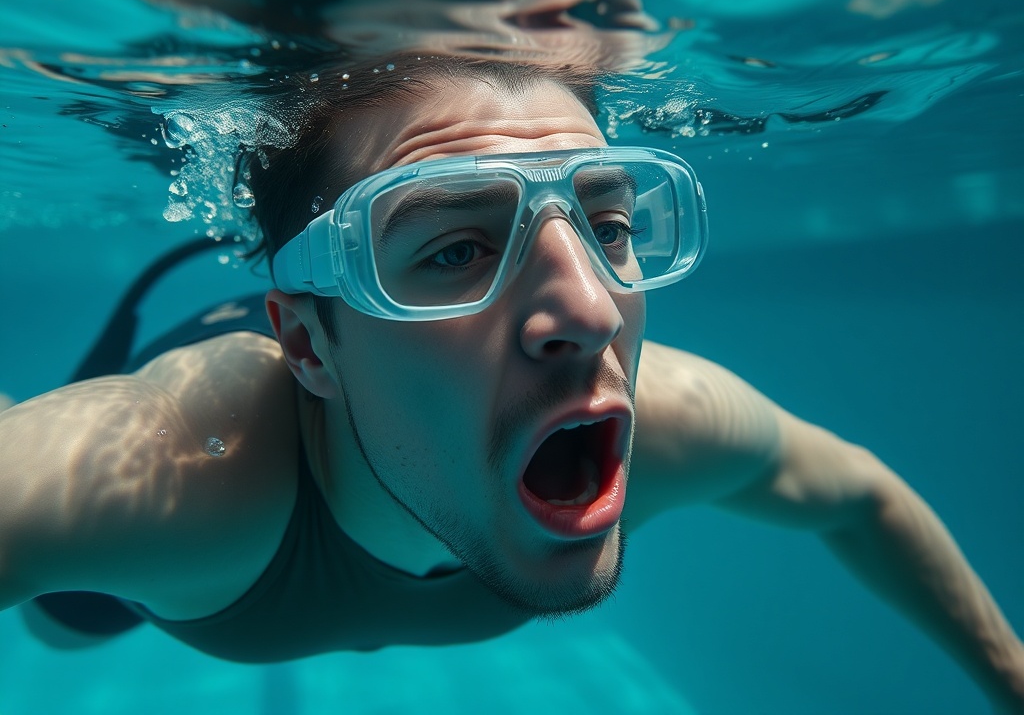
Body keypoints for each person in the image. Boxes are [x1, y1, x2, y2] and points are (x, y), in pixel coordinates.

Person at [1, 53, 1022, 710]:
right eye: (453, 248)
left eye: (610, 224)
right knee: (66, 623)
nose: (587, 313)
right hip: (213, 378)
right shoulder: (178, 470)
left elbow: (858, 497)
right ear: (308, 345)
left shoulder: (661, 419)